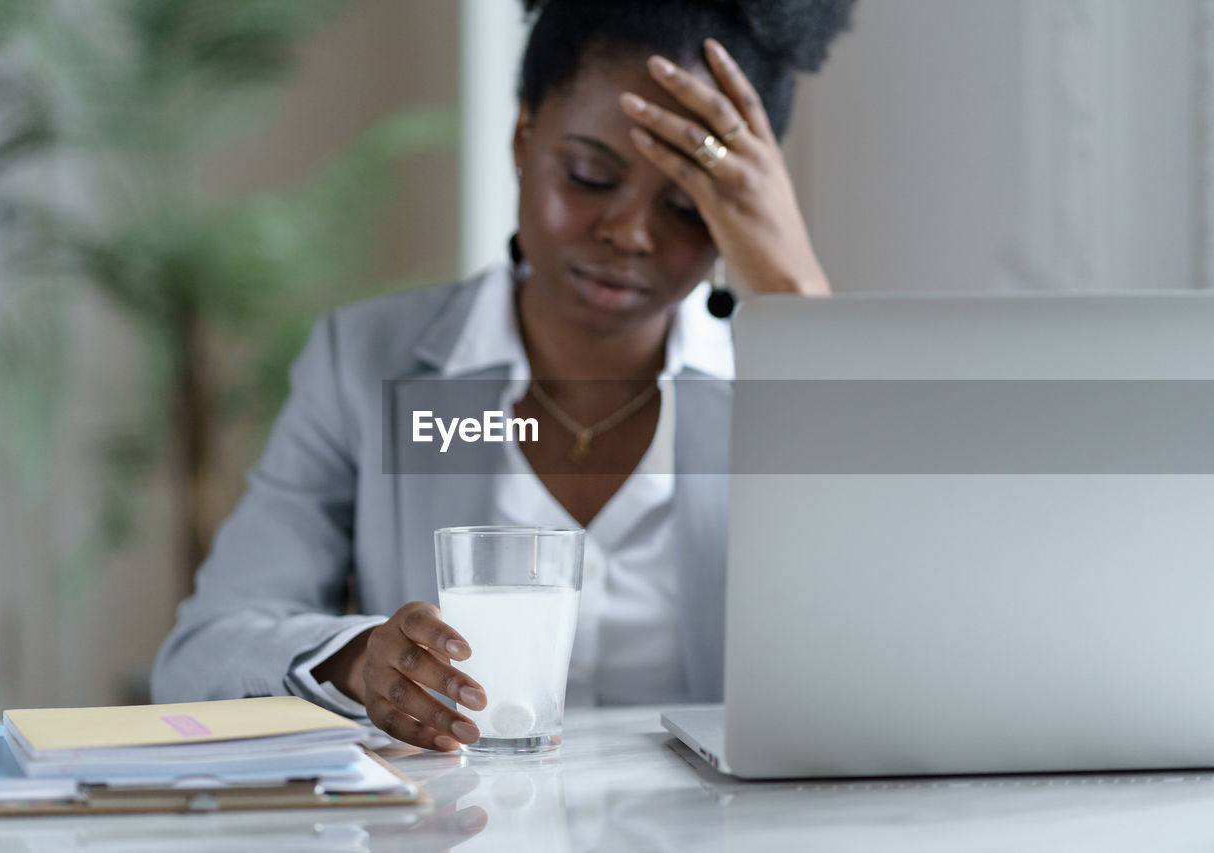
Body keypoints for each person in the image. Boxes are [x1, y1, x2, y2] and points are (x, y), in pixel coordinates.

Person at [151, 0, 855, 752]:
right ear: (524, 135)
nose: (629, 233)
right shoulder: (364, 363)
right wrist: (360, 663)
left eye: (687, 207)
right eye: (589, 175)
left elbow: (888, 643)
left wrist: (797, 305)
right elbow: (201, 655)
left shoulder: (783, 388)